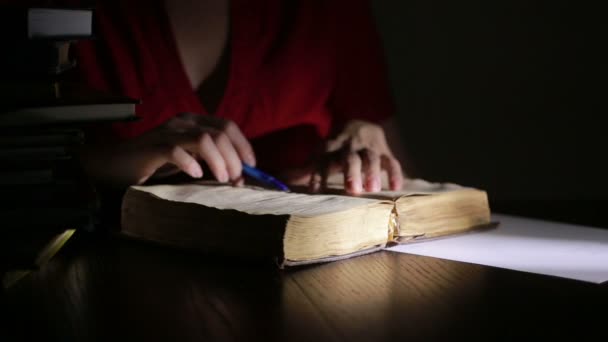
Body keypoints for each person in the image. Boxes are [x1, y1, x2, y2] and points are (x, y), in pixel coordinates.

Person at [75, 0, 407, 195]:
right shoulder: (72, 16)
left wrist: (368, 149)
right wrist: (100, 164)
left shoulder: (328, 11)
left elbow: (402, 178)